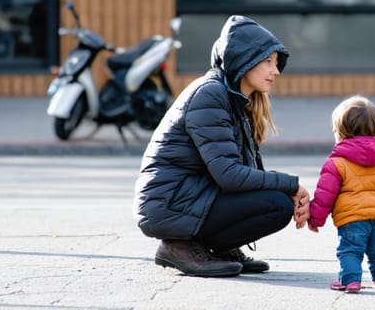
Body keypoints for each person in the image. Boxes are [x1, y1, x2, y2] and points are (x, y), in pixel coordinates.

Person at [133, 15, 311, 278]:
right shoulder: (211, 95)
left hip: (189, 197)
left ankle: (218, 247)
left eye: (276, 63)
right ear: (244, 61)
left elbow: (237, 172)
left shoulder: (233, 98)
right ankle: (179, 246)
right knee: (277, 203)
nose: (276, 71)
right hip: (169, 203)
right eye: (267, 62)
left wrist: (286, 187)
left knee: (277, 201)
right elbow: (229, 175)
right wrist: (291, 185)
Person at [307, 95, 375, 293]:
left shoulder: (336, 162)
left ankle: (350, 281)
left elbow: (325, 195)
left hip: (352, 217)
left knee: (350, 250)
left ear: (340, 132)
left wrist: (315, 218)